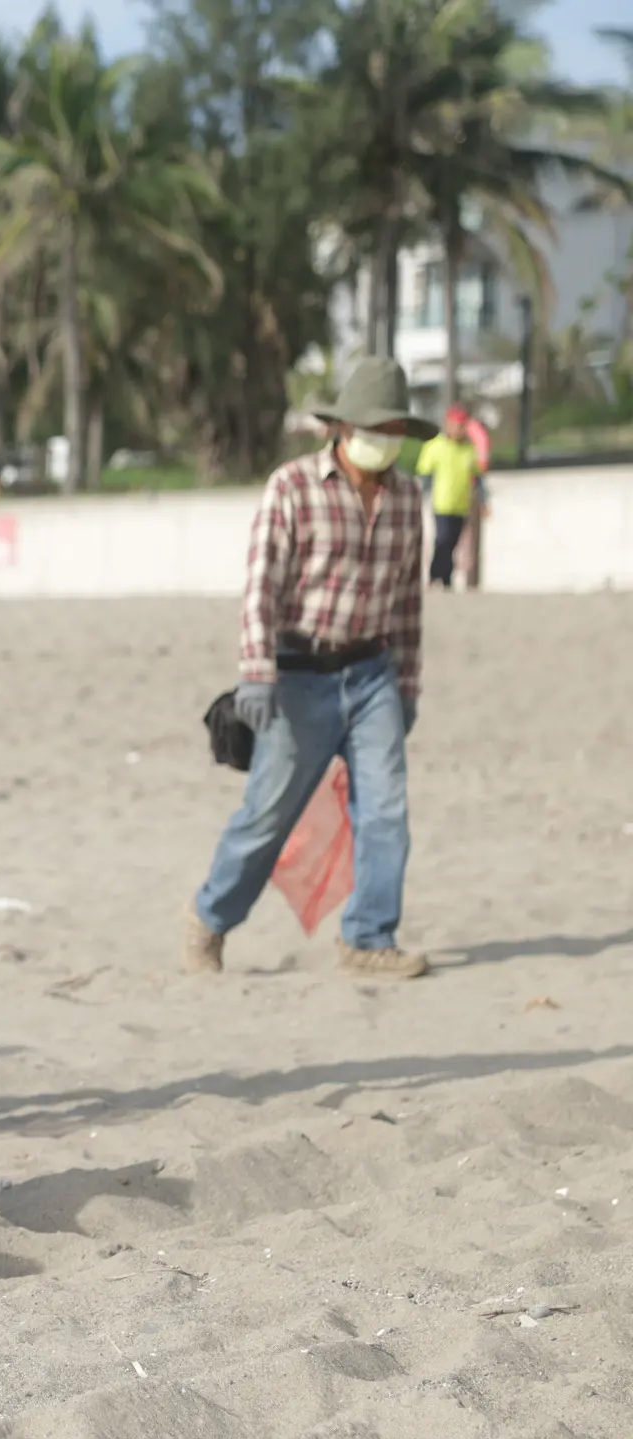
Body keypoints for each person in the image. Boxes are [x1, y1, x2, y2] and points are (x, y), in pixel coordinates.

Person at [187, 356, 434, 980]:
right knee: (268, 815)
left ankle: (369, 936)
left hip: (374, 672)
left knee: (385, 811)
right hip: (298, 675)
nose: (385, 439)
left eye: (395, 427)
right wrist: (256, 671)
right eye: (375, 426)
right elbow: (260, 588)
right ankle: (209, 921)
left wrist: (406, 686)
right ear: (342, 427)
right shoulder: (292, 488)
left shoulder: (408, 501)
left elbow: (408, 604)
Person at [417, 406, 481, 590]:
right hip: (442, 503)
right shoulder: (436, 446)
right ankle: (435, 574)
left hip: (461, 505)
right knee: (442, 539)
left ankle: (445, 577)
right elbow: (425, 474)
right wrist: (421, 496)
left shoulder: (469, 449)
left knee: (452, 542)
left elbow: (476, 477)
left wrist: (483, 502)